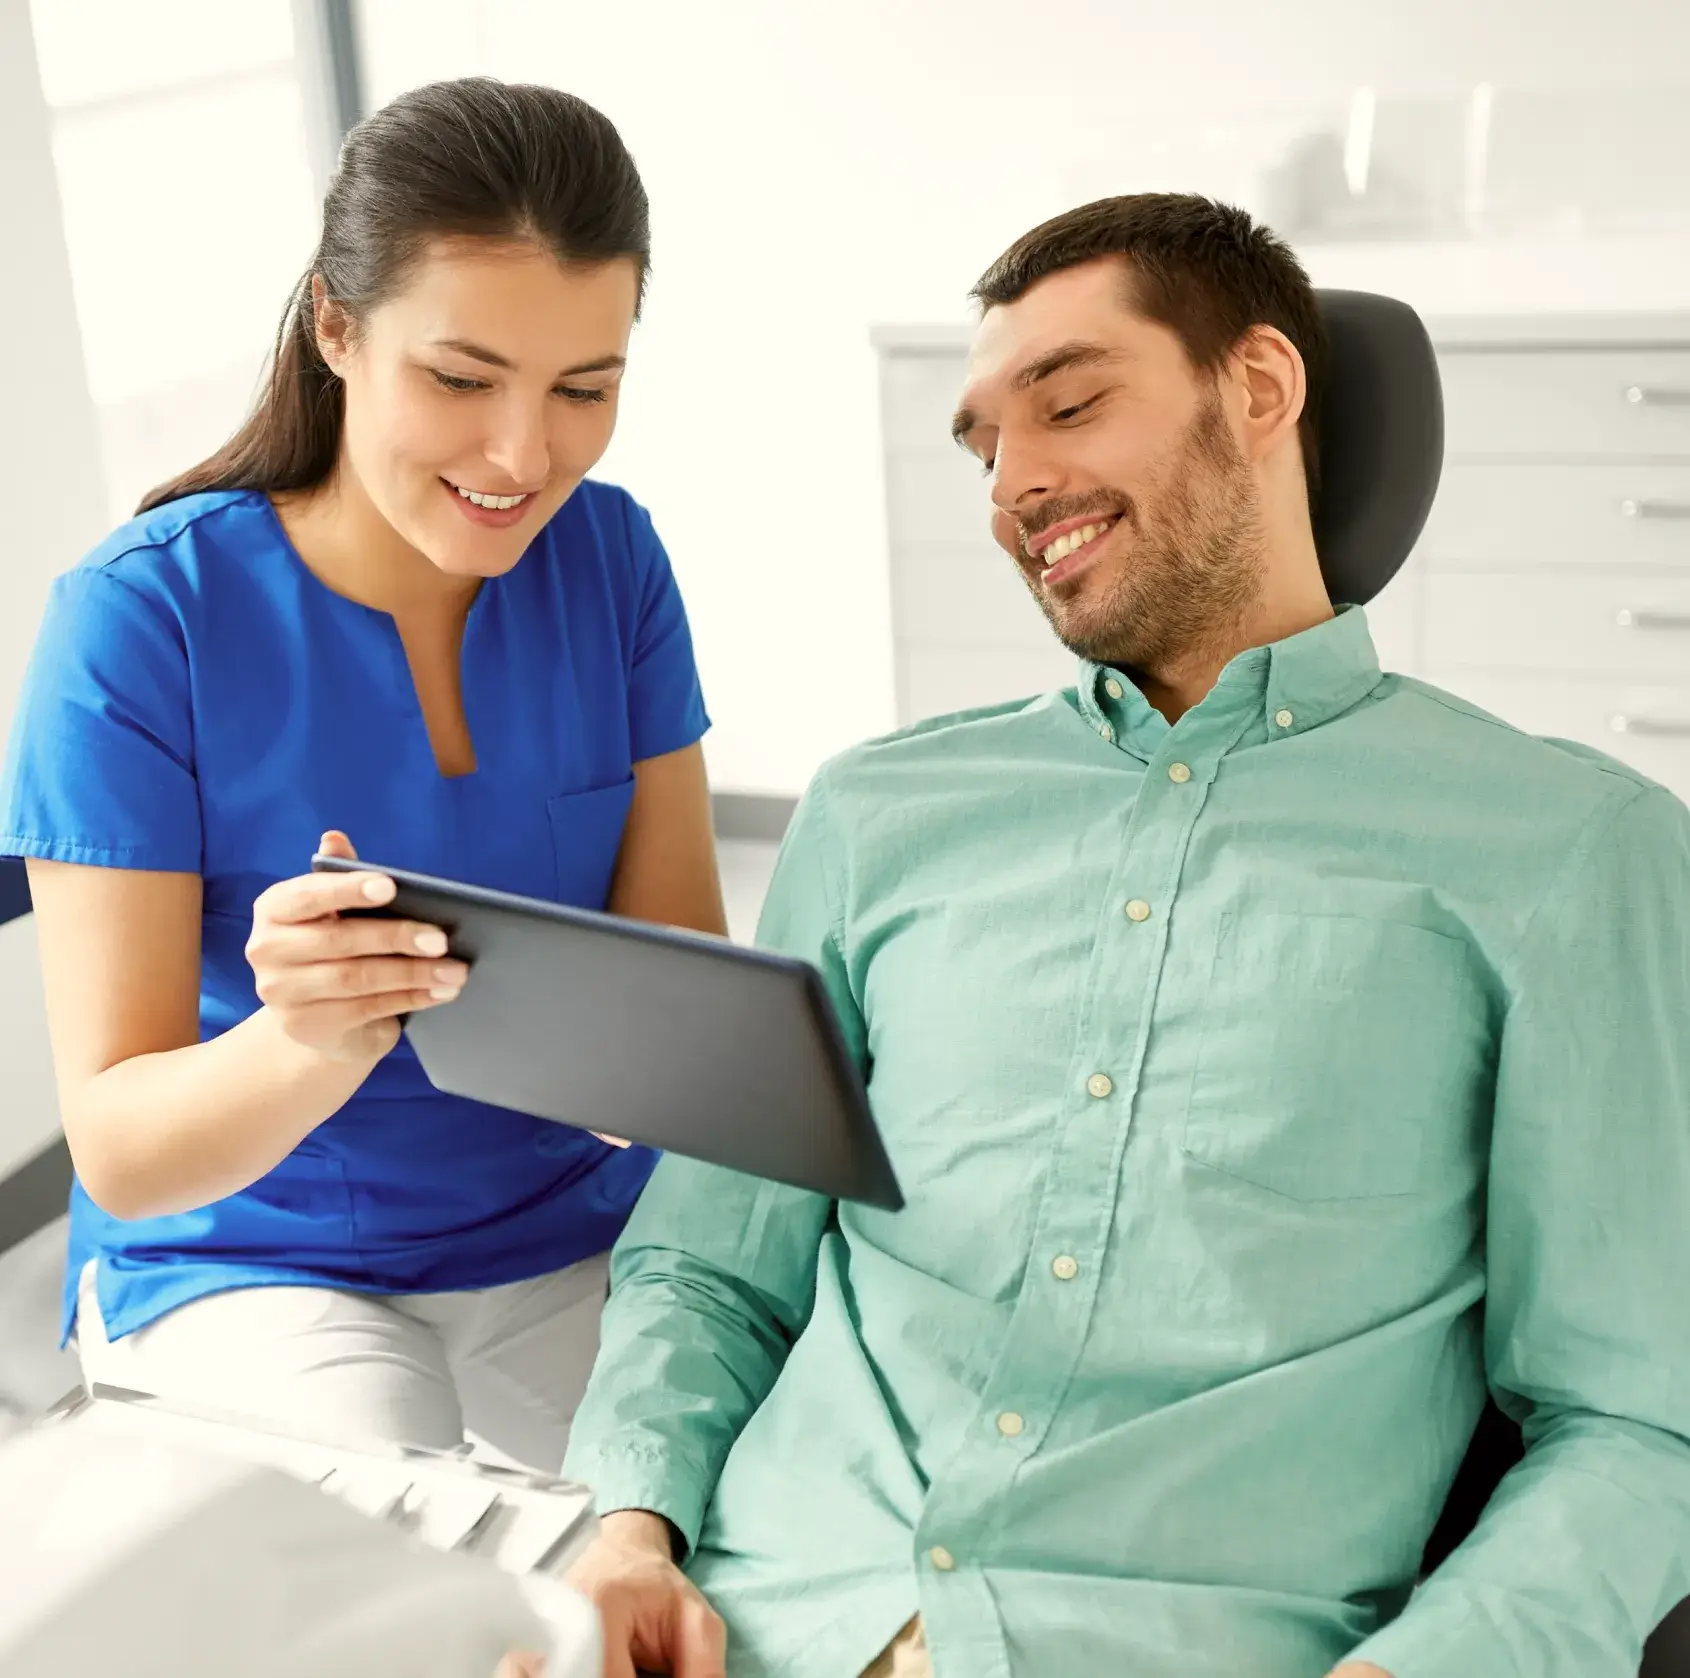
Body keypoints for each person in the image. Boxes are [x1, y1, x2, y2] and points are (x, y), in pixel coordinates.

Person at [558, 194, 1690, 1678]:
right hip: (753, 1630)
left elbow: (1631, 1415)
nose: (1012, 485)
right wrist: (625, 1533)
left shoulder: (1566, 849)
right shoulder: (876, 812)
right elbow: (710, 1264)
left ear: (1260, 389)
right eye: (980, 445)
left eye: (1070, 404)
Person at [0, 77, 725, 1473]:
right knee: (423, 1595)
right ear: (337, 326)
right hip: (246, 1254)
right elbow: (124, 1150)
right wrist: (309, 1039)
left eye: (585, 388)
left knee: (739, 1549)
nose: (526, 457)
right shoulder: (141, 620)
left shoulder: (613, 561)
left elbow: (680, 973)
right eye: (461, 380)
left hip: (565, 1222)